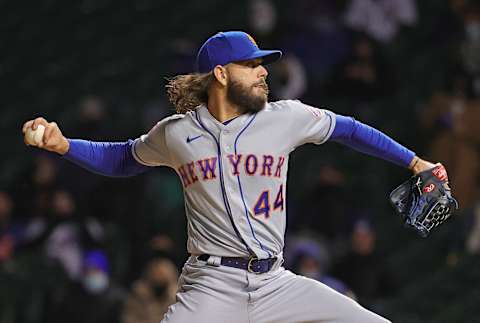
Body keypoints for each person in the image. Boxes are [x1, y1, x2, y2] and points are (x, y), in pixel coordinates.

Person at [22, 31, 443, 323]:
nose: (263, 72)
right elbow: (122, 159)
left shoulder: (286, 117)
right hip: (211, 286)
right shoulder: (176, 133)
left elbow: (349, 128)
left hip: (277, 282)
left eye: (262, 65)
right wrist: (65, 146)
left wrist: (414, 162)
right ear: (220, 74)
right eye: (251, 64)